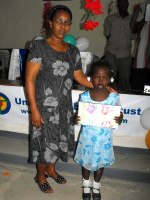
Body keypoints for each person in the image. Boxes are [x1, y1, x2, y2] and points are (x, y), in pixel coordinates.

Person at [25, 5, 93, 194]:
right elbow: (29, 79)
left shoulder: (73, 51)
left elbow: (79, 78)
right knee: (43, 144)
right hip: (44, 107)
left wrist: (99, 86)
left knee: (58, 141)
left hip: (64, 107)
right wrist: (34, 110)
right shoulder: (39, 47)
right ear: (50, 23)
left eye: (66, 23)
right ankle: (40, 175)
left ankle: (52, 170)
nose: (62, 27)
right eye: (58, 22)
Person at [74, 61, 123, 200]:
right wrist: (75, 118)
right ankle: (86, 183)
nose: (100, 80)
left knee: (100, 163)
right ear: (90, 78)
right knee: (86, 162)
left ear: (110, 79)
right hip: (87, 138)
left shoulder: (114, 97)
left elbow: (119, 112)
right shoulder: (84, 96)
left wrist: (119, 118)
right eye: (97, 77)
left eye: (104, 77)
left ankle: (96, 185)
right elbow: (78, 113)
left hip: (104, 140)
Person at [103, 0, 133, 91]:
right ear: (118, 5)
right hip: (111, 52)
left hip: (125, 53)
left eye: (124, 3)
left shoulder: (132, 19)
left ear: (127, 4)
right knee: (109, 78)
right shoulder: (110, 19)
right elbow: (107, 34)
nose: (123, 5)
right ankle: (107, 97)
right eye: (121, 3)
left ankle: (125, 98)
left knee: (124, 79)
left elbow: (134, 36)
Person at [130, 1, 150, 90]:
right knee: (140, 87)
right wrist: (146, 17)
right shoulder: (142, 7)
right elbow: (133, 28)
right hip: (143, 54)